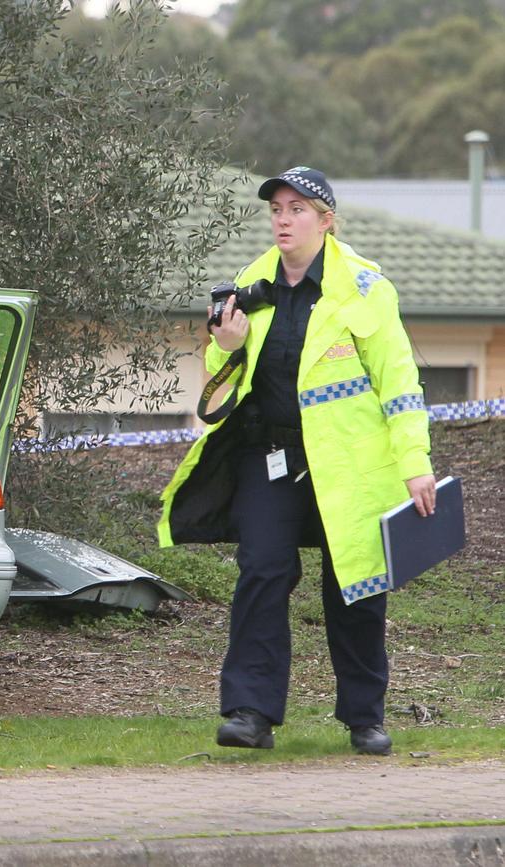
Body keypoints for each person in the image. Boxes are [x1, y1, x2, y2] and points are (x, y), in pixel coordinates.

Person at [158, 166, 436, 755]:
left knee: (355, 582)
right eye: (277, 209)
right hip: (272, 454)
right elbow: (223, 386)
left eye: (298, 209)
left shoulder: (366, 288)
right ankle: (250, 714)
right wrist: (224, 347)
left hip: (350, 462)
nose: (284, 219)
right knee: (262, 570)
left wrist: (415, 462)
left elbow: (400, 383)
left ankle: (365, 716)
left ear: (326, 220)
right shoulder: (248, 283)